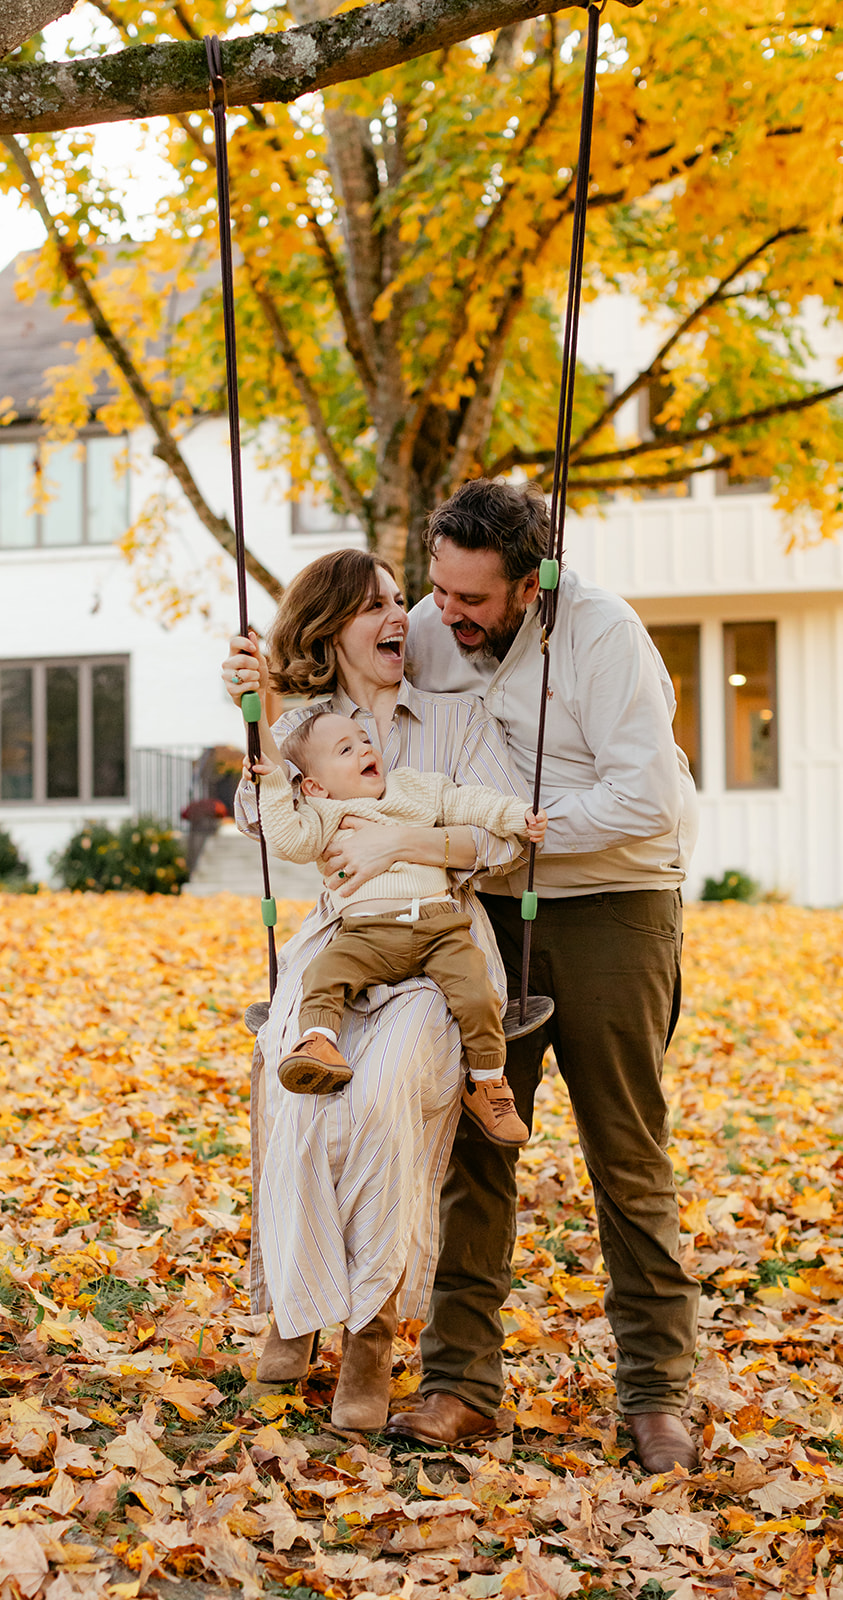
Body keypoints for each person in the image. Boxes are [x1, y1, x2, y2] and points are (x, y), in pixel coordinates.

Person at [372, 477, 700, 1473]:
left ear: (529, 582)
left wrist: (525, 828)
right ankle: (459, 1384)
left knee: (625, 1155)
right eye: (439, 589)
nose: (447, 614)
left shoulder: (602, 637)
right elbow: (354, 682)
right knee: (479, 1143)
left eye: (471, 598)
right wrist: (264, 677)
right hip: (487, 916)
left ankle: (654, 1394)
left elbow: (642, 793)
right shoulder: (436, 625)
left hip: (612, 906)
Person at [222, 548, 530, 1432]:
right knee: (298, 1087)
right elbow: (263, 822)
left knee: (390, 1091)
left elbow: (499, 842)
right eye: (376, 605)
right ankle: (294, 1301)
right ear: (331, 628)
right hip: (339, 944)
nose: (400, 615)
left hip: (440, 941)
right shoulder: (305, 723)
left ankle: (367, 1333)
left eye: (402, 599)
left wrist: (401, 846)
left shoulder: (455, 720)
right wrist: (256, 712)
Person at [247, 708, 545, 1148]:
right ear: (315, 785)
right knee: (323, 973)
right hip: (366, 933)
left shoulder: (416, 789)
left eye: (365, 739)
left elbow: (469, 802)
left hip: (440, 926)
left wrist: (516, 815)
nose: (365, 748)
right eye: (346, 749)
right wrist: (272, 780)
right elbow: (287, 839)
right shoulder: (322, 813)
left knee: (478, 993)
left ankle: (487, 1083)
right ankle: (319, 1042)